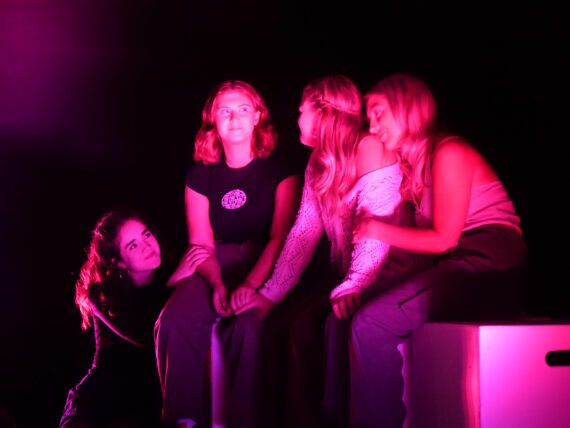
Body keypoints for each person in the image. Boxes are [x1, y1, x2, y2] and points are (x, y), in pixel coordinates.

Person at [235, 75, 425, 427]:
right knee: (283, 325)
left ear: (322, 111)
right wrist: (271, 295)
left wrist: (355, 283)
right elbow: (304, 234)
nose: (296, 118)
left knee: (314, 329)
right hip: (351, 275)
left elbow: (376, 228)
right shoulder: (317, 164)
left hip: (387, 270)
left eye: (301, 110)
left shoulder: (369, 147)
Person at [343, 73, 527, 427]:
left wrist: (376, 228)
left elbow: (444, 239)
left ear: (408, 109)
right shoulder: (414, 166)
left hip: (490, 262)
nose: (373, 125)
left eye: (379, 113)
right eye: (370, 117)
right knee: (358, 307)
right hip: (458, 261)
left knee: (371, 324)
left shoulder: (450, 152)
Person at [154, 80, 301, 428]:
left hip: (265, 263)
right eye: (225, 111)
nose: (234, 118)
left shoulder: (282, 170)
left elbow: (281, 238)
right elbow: (201, 244)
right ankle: (182, 419)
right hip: (214, 263)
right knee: (174, 320)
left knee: (248, 328)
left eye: (243, 109)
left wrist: (251, 285)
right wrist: (218, 283)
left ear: (258, 117)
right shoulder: (200, 175)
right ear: (213, 122)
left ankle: (241, 421)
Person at [60, 208, 208, 428]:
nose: (147, 246)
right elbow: (147, 332)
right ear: (118, 262)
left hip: (145, 403)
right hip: (101, 403)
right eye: (133, 245)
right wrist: (176, 279)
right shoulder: (101, 294)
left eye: (146, 235)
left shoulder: (170, 271)